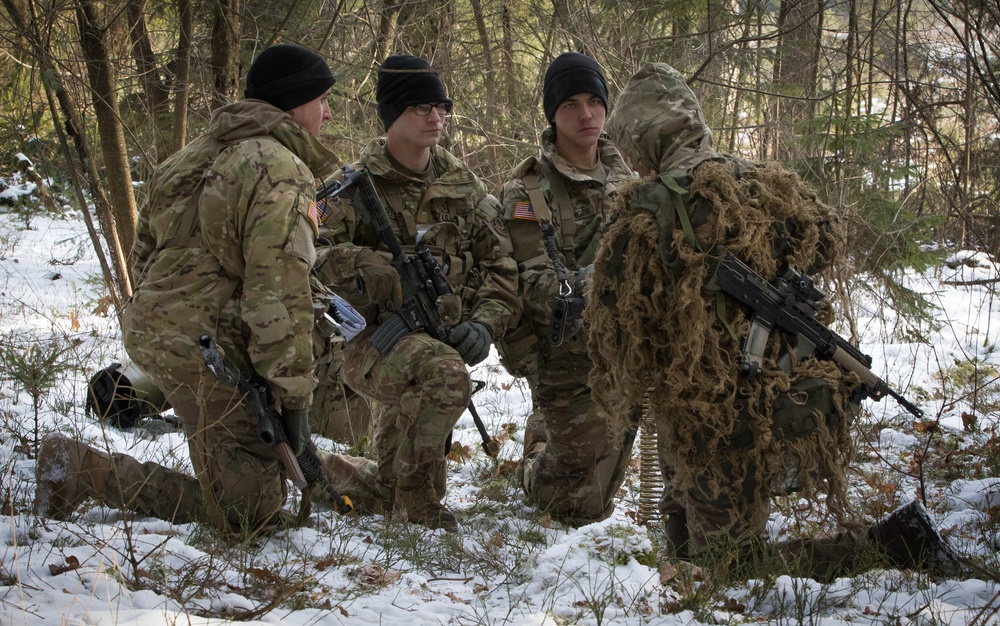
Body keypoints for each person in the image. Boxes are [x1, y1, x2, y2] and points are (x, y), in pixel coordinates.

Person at [588, 62, 961, 580]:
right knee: (691, 544)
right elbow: (826, 240)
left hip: (715, 421)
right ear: (694, 120)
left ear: (638, 140)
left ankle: (895, 547)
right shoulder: (764, 184)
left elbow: (617, 328)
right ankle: (687, 566)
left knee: (732, 567)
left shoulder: (642, 215)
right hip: (775, 391)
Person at [34, 43, 341, 536]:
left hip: (159, 333)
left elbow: (144, 257)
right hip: (212, 350)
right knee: (250, 515)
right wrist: (295, 399)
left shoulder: (188, 157)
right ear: (293, 101)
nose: (328, 111)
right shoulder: (281, 169)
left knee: (248, 462)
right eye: (322, 98)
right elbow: (277, 293)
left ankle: (319, 474)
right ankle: (83, 469)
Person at [315, 54, 520, 531]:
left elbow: (501, 266)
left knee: (384, 482)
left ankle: (331, 471)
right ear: (391, 116)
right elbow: (307, 257)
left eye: (441, 106)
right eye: (421, 108)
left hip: (438, 335)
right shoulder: (348, 189)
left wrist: (485, 323)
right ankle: (418, 499)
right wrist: (369, 265)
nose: (436, 117)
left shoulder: (463, 187)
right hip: (370, 343)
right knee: (446, 375)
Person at [495, 52, 637, 525]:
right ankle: (535, 464)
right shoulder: (528, 191)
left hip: (629, 348)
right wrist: (609, 277)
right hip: (566, 356)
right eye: (571, 104)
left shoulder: (632, 182)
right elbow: (535, 285)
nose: (586, 115)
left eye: (595, 101)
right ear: (552, 114)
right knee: (577, 506)